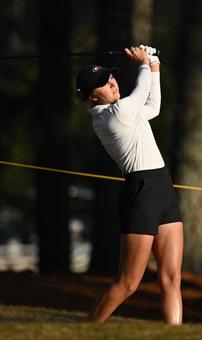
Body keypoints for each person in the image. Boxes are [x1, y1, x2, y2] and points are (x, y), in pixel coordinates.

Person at [76, 45, 184, 325]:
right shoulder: (110, 116)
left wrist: (155, 64)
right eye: (103, 84)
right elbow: (140, 93)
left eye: (110, 78)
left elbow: (153, 107)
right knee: (128, 283)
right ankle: (87, 330)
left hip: (161, 185)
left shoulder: (123, 109)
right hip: (141, 193)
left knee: (171, 278)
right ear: (91, 97)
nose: (112, 83)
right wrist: (144, 63)